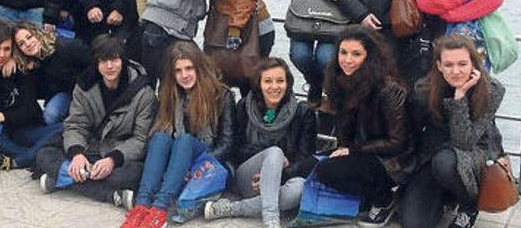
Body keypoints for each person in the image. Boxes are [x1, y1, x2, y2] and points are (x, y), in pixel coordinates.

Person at [121, 42, 235, 228]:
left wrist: (190, 167)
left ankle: (159, 209)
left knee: (184, 141)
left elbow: (227, 144)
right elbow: (161, 134)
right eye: (178, 70)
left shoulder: (220, 94)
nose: (184, 75)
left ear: (199, 67)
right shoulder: (170, 93)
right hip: (177, 156)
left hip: (206, 157)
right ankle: (141, 206)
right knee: (159, 137)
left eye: (189, 68)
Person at [36, 34, 157, 208]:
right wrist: (76, 154)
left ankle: (63, 179)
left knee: (128, 176)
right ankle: (111, 195)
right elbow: (76, 124)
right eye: (103, 61)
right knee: (44, 155)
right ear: (96, 63)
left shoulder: (143, 92)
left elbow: (140, 139)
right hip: (91, 146)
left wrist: (112, 160)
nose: (109, 66)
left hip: (120, 151)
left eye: (114, 60)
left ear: (123, 60)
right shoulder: (85, 86)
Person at [400, 35, 505, 228]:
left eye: (462, 64)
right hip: (432, 153)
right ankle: (446, 195)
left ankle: (469, 205)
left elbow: (463, 142)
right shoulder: (425, 89)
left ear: (474, 63)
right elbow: (412, 130)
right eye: (448, 65)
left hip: (475, 151)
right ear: (439, 66)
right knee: (413, 224)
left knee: (446, 162)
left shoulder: (492, 90)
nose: (455, 71)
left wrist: (460, 97)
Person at [314, 26, 412, 226]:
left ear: (369, 57)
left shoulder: (388, 89)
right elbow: (345, 130)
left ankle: (384, 200)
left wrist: (352, 150)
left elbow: (398, 142)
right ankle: (365, 195)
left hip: (392, 160)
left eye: (356, 54)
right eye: (343, 53)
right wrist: (345, 149)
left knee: (327, 171)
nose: (348, 60)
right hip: (363, 149)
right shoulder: (341, 81)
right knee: (312, 164)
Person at [204, 58, 317, 227]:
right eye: (268, 81)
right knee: (275, 152)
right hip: (248, 177)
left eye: (280, 81)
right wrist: (269, 162)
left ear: (288, 83)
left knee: (300, 188)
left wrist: (278, 174)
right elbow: (235, 149)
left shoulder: (303, 112)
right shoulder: (244, 107)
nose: (274, 87)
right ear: (259, 84)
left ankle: (233, 209)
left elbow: (306, 158)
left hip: (284, 179)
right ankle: (271, 221)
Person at [0, 23, 63, 170]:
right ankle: (36, 155)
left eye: (7, 49)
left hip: (23, 129)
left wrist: (3, 116)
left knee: (66, 128)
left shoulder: (21, 69)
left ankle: (21, 160)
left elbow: (30, 110)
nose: (2, 55)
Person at [12, 21, 92, 125]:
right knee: (50, 116)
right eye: (21, 44)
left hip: (87, 88)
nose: (28, 44)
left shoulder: (64, 46)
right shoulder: (32, 64)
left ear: (38, 34)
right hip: (65, 93)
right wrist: (30, 72)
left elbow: (94, 63)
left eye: (29, 37)